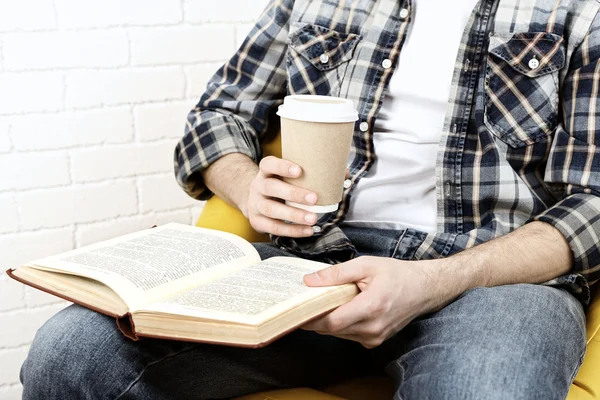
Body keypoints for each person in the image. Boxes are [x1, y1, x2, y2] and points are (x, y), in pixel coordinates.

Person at [21, 0, 599, 398]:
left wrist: (438, 279)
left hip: (488, 278)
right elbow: (216, 117)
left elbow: (593, 204)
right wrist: (247, 186)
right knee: (70, 352)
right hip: (311, 265)